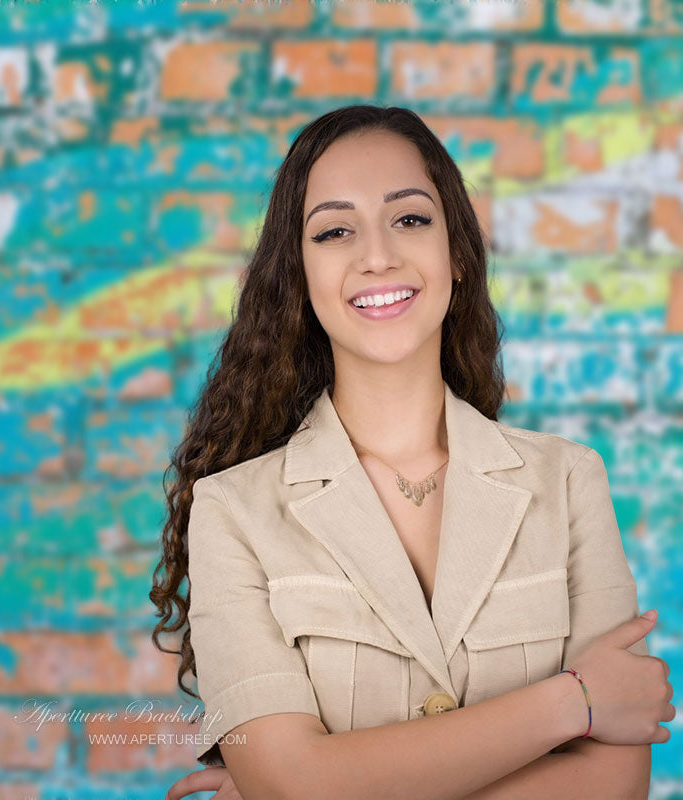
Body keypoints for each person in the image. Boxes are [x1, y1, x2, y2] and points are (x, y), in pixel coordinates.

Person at [150, 105, 675, 800]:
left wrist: (323, 784)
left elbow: (615, 784)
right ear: (299, 276)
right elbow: (293, 784)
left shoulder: (569, 481)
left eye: (410, 219)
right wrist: (573, 702)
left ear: (455, 250)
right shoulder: (231, 512)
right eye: (335, 231)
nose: (377, 256)